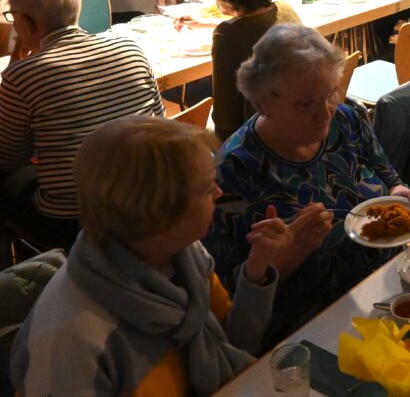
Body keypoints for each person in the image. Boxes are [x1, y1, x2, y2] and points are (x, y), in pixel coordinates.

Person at [10, 116, 286, 397]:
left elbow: (234, 343)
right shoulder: (75, 340)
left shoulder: (184, 257)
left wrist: (257, 268)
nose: (218, 193)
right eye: (206, 189)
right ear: (158, 212)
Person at [204, 24, 410, 338]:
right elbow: (225, 303)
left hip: (387, 288)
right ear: (263, 101)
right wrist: (287, 257)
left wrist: (399, 191)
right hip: (312, 325)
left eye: (330, 93)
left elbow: (385, 173)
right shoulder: (234, 172)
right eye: (306, 104)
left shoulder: (347, 120)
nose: (325, 113)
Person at [0, 0, 165, 249]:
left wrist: (12, 79)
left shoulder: (23, 76)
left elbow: (8, 158)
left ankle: (24, 277)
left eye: (12, 16)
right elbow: (160, 124)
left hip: (75, 221)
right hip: (147, 200)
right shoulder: (131, 49)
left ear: (26, 22)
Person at [207, 0, 300, 141]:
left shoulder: (226, 35)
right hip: (300, 114)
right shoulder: (285, 9)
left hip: (260, 134)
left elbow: (226, 116)